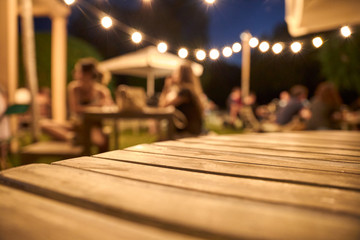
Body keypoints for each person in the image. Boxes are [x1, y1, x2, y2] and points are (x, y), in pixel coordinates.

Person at [67, 58, 114, 152]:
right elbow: (75, 109)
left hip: (95, 125)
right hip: (76, 125)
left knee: (101, 140)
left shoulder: (102, 91)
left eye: (78, 70)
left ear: (87, 74)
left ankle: (74, 138)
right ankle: (71, 138)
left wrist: (102, 105)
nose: (75, 73)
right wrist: (97, 105)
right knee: (45, 124)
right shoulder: (74, 88)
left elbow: (110, 107)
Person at [159, 63, 204, 136]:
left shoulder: (185, 92)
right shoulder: (190, 90)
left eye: (176, 72)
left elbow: (163, 106)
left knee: (160, 140)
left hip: (187, 133)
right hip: (193, 131)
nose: (173, 74)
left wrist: (166, 87)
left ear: (181, 74)